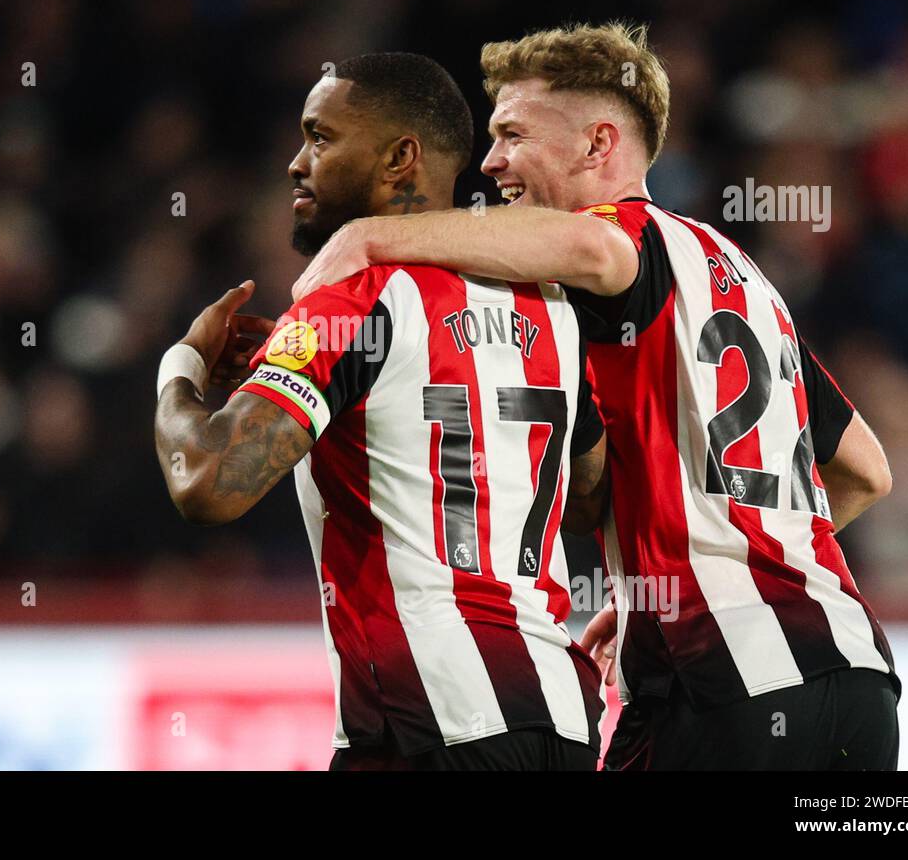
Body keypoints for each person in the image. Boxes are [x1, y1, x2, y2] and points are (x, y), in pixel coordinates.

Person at [293, 24, 899, 770]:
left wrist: (370, 239)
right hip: (857, 679)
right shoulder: (739, 275)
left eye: (513, 133)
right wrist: (705, 571)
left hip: (723, 688)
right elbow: (866, 470)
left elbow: (595, 250)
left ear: (597, 144)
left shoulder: (622, 238)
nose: (491, 162)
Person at [154, 52, 608, 769]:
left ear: (401, 158)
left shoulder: (354, 299)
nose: (297, 164)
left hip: (428, 721)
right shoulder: (551, 305)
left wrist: (177, 367)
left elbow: (206, 482)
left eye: (321, 138)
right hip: (562, 721)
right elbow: (584, 498)